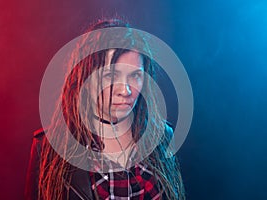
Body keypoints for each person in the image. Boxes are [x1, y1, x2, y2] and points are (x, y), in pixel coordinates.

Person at [25, 18, 185, 200]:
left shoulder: (162, 138)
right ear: (85, 76)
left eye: (135, 76)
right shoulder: (49, 149)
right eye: (111, 75)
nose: (125, 90)